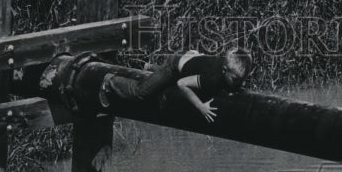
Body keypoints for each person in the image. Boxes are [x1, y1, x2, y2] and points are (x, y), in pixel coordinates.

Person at [99, 48, 253, 122]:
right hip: (174, 66)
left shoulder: (226, 70)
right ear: (224, 70)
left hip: (192, 58)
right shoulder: (211, 78)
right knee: (141, 93)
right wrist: (200, 106)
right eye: (236, 80)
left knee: (160, 80)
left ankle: (150, 68)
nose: (240, 84)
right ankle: (110, 80)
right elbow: (182, 84)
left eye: (242, 79)